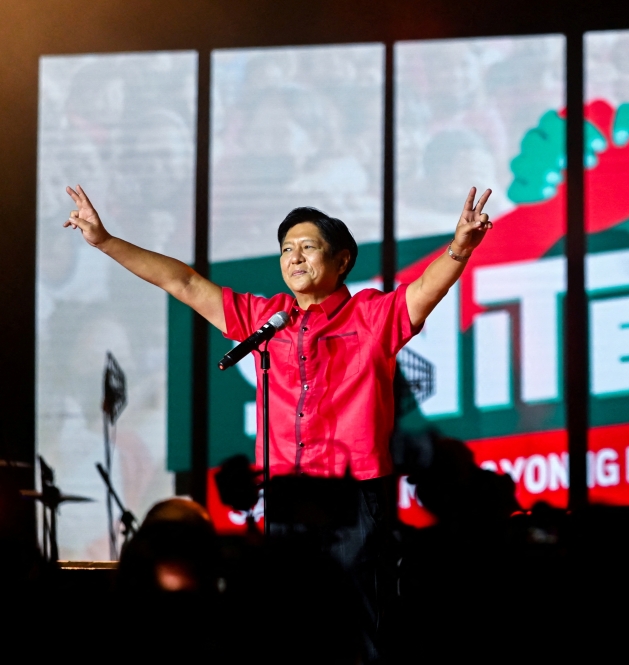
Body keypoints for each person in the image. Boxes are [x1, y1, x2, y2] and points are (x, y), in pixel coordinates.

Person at [64, 183, 493, 663]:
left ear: (342, 261)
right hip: (287, 494)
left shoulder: (372, 315)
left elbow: (425, 290)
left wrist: (459, 249)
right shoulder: (265, 319)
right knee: (290, 626)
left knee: (359, 626)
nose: (295, 258)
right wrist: (105, 242)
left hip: (354, 495)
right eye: (287, 249)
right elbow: (183, 282)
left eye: (308, 247)